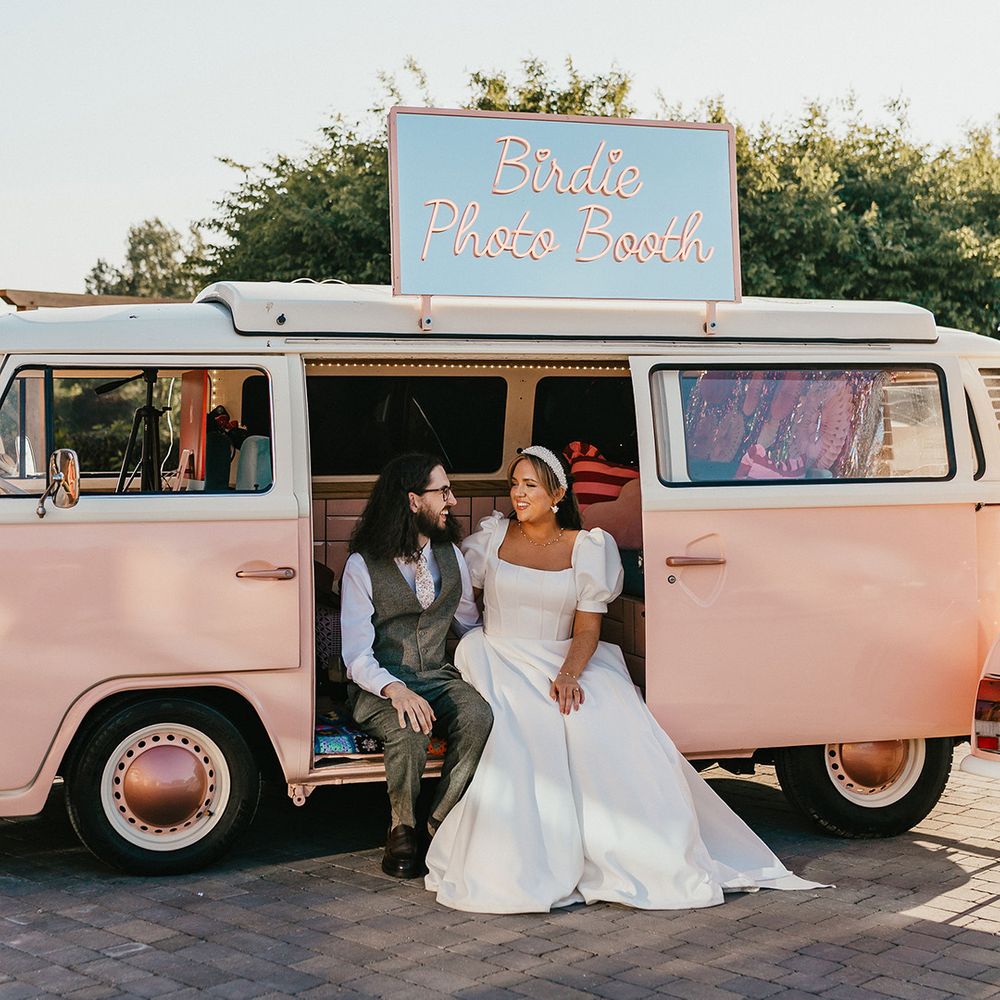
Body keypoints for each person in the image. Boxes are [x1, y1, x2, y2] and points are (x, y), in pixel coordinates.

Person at [424, 445, 826, 912]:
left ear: (556, 493)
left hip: (563, 657)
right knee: (527, 726)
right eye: (514, 483)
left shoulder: (587, 548)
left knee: (604, 724)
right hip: (498, 653)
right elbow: (464, 606)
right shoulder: (490, 538)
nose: (517, 493)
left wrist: (570, 673)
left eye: (529, 485)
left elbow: (588, 626)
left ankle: (632, 852)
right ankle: (529, 857)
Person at [340, 453, 493, 879]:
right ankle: (402, 829)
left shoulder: (451, 556)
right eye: (442, 492)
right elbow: (355, 656)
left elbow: (468, 625)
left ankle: (439, 823)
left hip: (439, 677)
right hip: (380, 685)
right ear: (412, 500)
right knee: (409, 729)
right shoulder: (362, 565)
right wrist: (396, 690)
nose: (453, 500)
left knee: (479, 717)